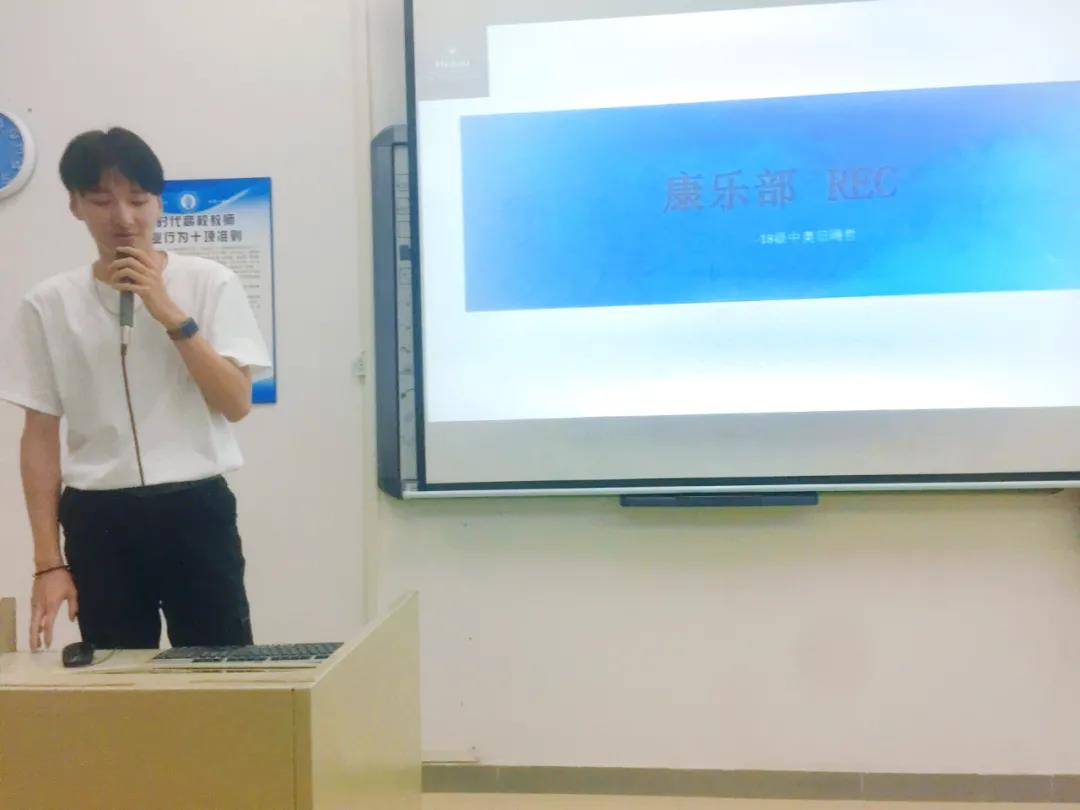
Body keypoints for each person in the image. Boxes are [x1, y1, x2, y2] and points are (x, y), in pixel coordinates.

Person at [0, 127, 271, 651]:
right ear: (75, 205)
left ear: (159, 203)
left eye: (138, 199)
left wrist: (170, 313)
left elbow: (236, 404)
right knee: (116, 678)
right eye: (102, 201)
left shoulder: (210, 282)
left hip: (195, 508)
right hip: (99, 517)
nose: (123, 217)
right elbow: (39, 436)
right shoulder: (48, 304)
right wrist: (47, 563)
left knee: (220, 670)